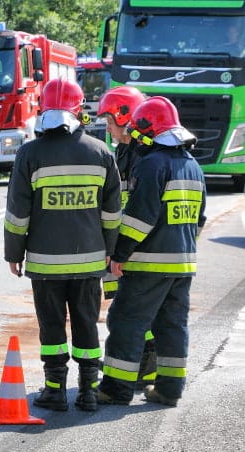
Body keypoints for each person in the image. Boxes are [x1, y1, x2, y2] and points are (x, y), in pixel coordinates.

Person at [4, 79, 122, 412]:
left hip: (44, 264)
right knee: (87, 323)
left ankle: (55, 391)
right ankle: (87, 392)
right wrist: (110, 248)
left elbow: (17, 213)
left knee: (52, 327)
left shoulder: (30, 153)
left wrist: (14, 254)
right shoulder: (101, 153)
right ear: (80, 110)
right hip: (89, 263)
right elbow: (112, 213)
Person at [97, 96, 206, 407]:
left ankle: (116, 389)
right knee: (172, 326)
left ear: (149, 131)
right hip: (183, 265)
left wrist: (118, 255)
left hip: (148, 265)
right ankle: (170, 389)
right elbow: (198, 219)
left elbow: (138, 219)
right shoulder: (193, 166)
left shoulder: (151, 164)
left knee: (126, 321)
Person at [97, 85, 157, 390]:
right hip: (125, 245)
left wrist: (121, 251)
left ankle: (144, 367)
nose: (107, 128)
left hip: (135, 249)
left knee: (133, 314)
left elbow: (138, 206)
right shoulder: (125, 150)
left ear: (125, 116)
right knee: (125, 308)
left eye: (109, 121)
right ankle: (139, 366)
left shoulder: (141, 153)